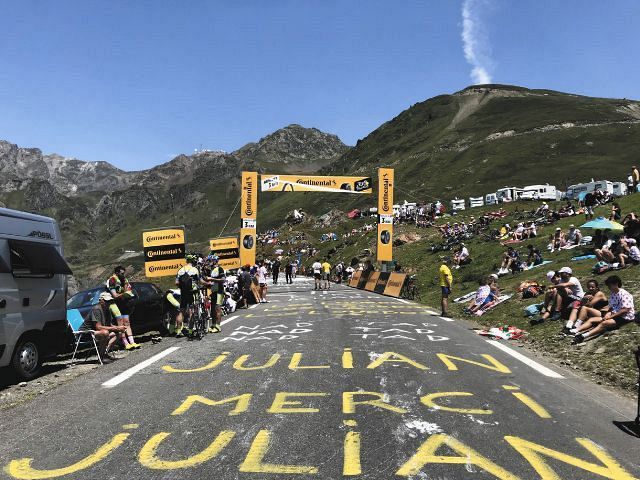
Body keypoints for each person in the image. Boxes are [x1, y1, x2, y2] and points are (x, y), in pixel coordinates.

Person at [573, 275, 635, 344]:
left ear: (616, 284)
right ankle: (575, 330)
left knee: (604, 323)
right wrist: (608, 313)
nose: (609, 287)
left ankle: (583, 336)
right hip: (615, 314)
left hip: (625, 317)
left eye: (610, 285)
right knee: (592, 319)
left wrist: (610, 316)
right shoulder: (613, 293)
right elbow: (612, 306)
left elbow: (625, 310)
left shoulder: (624, 294)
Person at [80, 292, 126, 363]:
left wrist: (119, 328)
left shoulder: (107, 309)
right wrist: (116, 328)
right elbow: (98, 327)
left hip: (96, 332)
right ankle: (101, 357)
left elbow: (109, 325)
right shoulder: (96, 309)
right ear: (100, 300)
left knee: (118, 333)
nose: (108, 303)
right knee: (105, 333)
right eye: (106, 301)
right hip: (86, 333)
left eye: (110, 301)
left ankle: (105, 353)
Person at [106, 266, 139, 350]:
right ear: (117, 273)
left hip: (123, 303)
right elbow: (115, 295)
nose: (123, 275)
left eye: (124, 273)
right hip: (115, 303)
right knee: (120, 323)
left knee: (127, 322)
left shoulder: (124, 279)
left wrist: (127, 291)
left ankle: (132, 342)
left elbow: (127, 289)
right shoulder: (112, 280)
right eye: (121, 273)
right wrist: (124, 294)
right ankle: (126, 343)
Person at [175, 254, 202, 336]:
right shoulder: (195, 270)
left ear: (186, 261)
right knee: (191, 311)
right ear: (193, 261)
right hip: (192, 292)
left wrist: (182, 287)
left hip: (183, 292)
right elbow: (200, 281)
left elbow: (176, 282)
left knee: (181, 311)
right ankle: (190, 331)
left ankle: (178, 331)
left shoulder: (180, 270)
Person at [207, 256, 225, 332]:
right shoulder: (211, 270)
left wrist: (212, 279)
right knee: (213, 309)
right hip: (213, 291)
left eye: (210, 261)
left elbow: (223, 280)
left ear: (214, 261)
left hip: (219, 291)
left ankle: (218, 326)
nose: (209, 262)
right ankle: (213, 325)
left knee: (217, 308)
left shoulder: (220, 269)